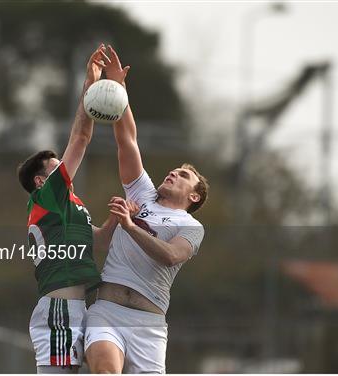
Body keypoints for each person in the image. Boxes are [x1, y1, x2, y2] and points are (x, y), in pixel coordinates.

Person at [84, 45, 209, 374]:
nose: (173, 173)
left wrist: (130, 226)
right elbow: (128, 139)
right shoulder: (143, 193)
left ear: (194, 197)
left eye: (183, 176)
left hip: (148, 325)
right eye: (174, 170)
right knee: (105, 371)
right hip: (106, 311)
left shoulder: (191, 227)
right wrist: (118, 89)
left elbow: (170, 255)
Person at [17, 44, 121, 374]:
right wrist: (89, 85)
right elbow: (80, 138)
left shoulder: (70, 209)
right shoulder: (47, 197)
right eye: (55, 165)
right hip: (59, 310)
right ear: (39, 180)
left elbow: (101, 241)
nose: (63, 167)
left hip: (76, 308)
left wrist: (120, 220)